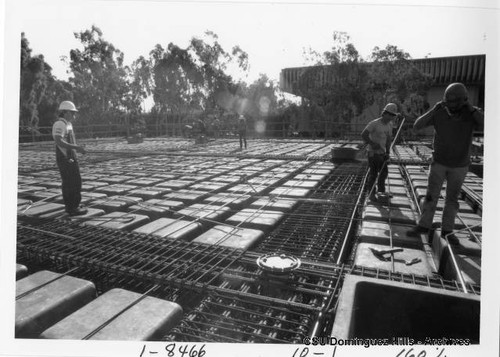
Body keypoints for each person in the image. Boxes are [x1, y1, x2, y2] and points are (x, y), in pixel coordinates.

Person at [407, 83, 484, 244]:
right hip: (439, 163)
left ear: (463, 101)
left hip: (459, 165)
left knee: (452, 199)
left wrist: (470, 108)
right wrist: (434, 110)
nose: (452, 107)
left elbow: (485, 124)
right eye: (449, 102)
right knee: (431, 196)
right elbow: (417, 126)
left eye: (456, 103)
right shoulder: (439, 113)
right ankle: (424, 225)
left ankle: (447, 230)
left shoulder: (471, 113)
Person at [52, 100, 87, 216]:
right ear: (65, 112)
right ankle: (71, 208)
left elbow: (69, 140)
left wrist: (76, 150)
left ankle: (74, 205)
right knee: (69, 183)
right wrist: (76, 147)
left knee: (76, 182)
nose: (74, 115)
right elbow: (58, 140)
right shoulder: (60, 124)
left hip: (71, 157)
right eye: (72, 113)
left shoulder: (68, 124)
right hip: (64, 158)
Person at [361, 103, 399, 201]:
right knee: (373, 174)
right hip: (373, 153)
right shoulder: (374, 123)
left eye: (393, 116)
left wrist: (388, 152)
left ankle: (381, 192)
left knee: (383, 173)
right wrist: (372, 143)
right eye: (390, 115)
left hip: (382, 153)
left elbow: (389, 140)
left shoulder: (389, 125)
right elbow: (364, 134)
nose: (391, 117)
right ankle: (371, 194)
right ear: (384, 113)